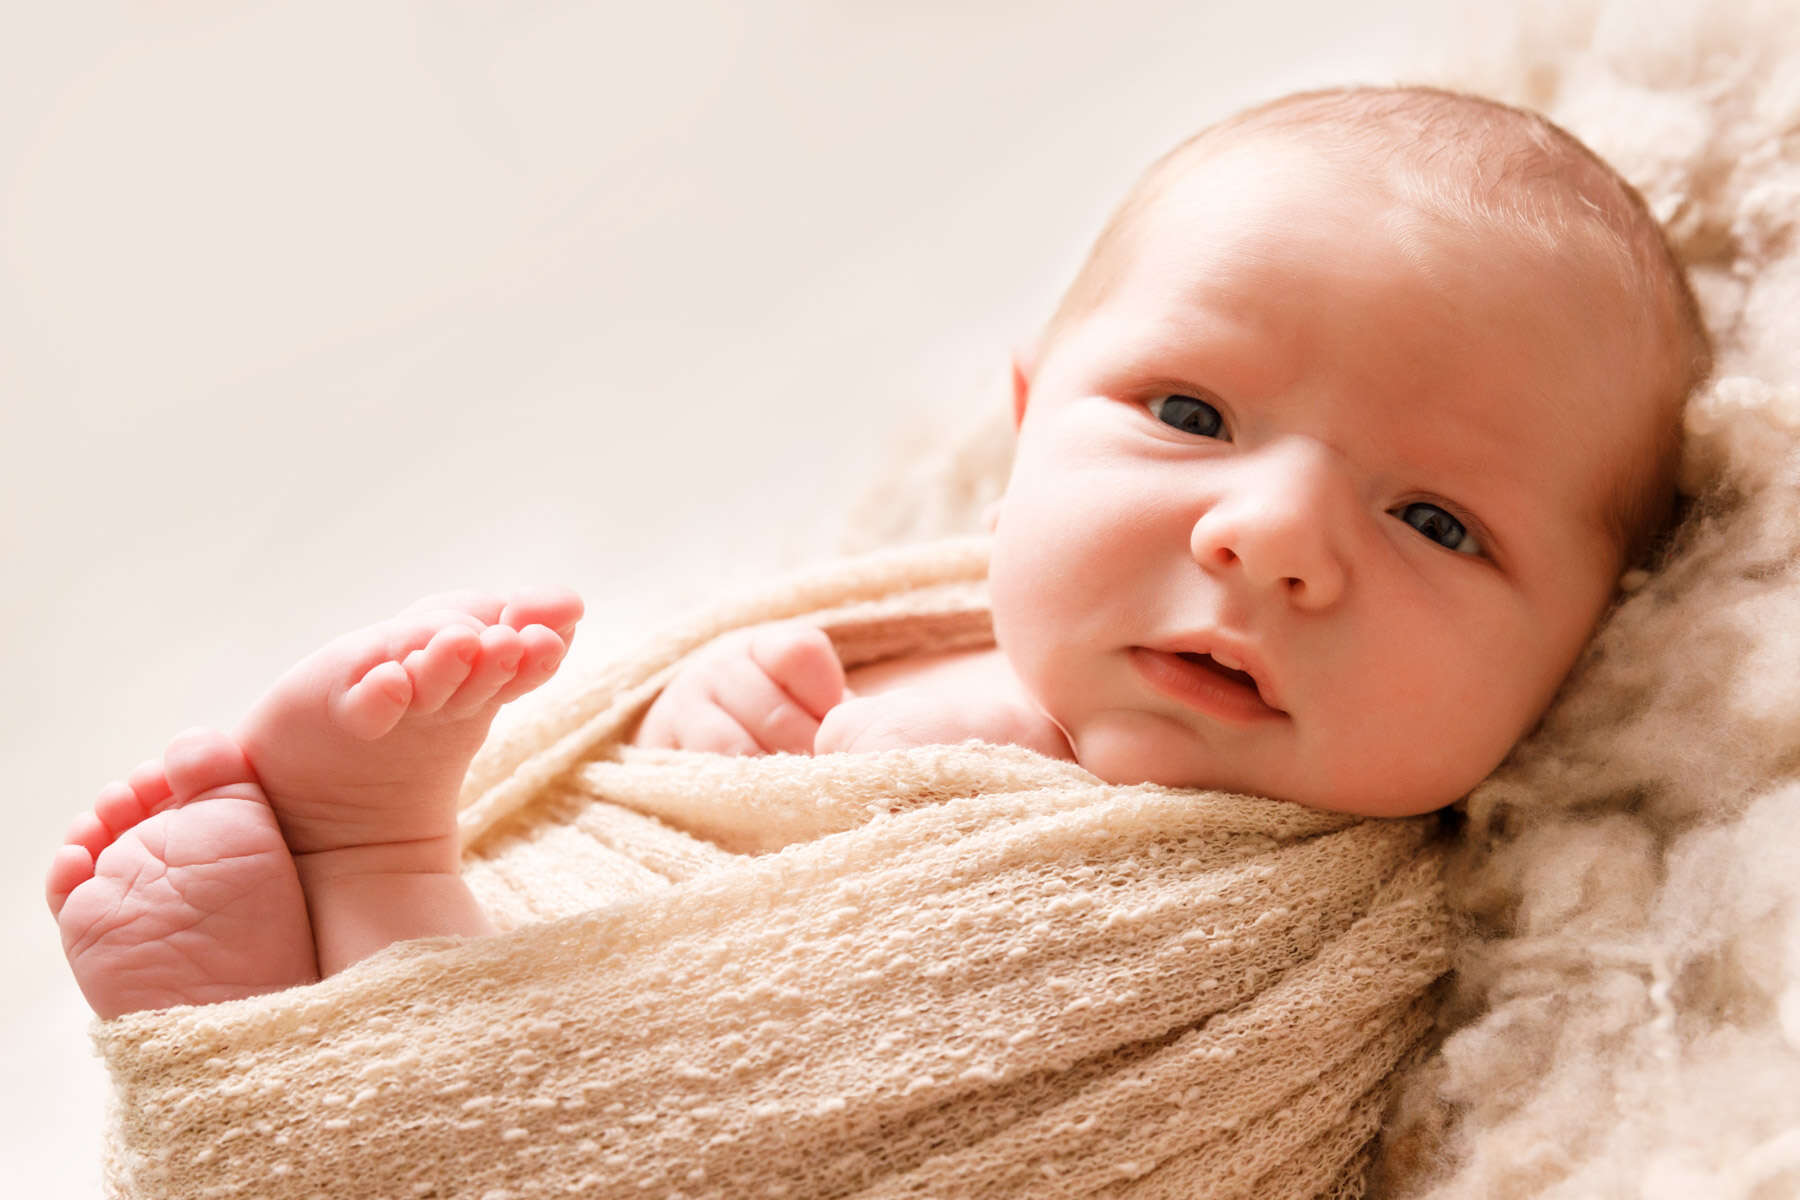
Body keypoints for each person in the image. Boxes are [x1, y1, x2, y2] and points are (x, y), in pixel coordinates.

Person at [46, 85, 1710, 1020]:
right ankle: (373, 892)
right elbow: (686, 864)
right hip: (613, 1002)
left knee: (564, 1068)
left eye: (1435, 521)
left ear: (1588, 643)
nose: (1269, 538)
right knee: (556, 996)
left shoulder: (1388, 943)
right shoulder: (924, 648)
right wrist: (717, 751)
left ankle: (336, 952)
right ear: (1026, 429)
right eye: (1192, 414)